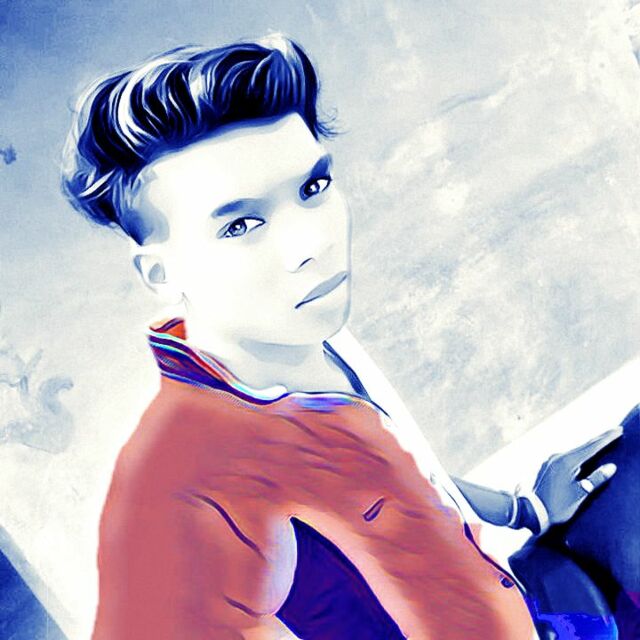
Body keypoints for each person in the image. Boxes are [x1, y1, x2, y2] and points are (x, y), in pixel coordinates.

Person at [61, 35, 620, 639]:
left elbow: (404, 482)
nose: (310, 244)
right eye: (241, 225)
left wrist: (522, 509)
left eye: (313, 189)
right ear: (160, 274)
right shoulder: (182, 484)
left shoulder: (304, 333)